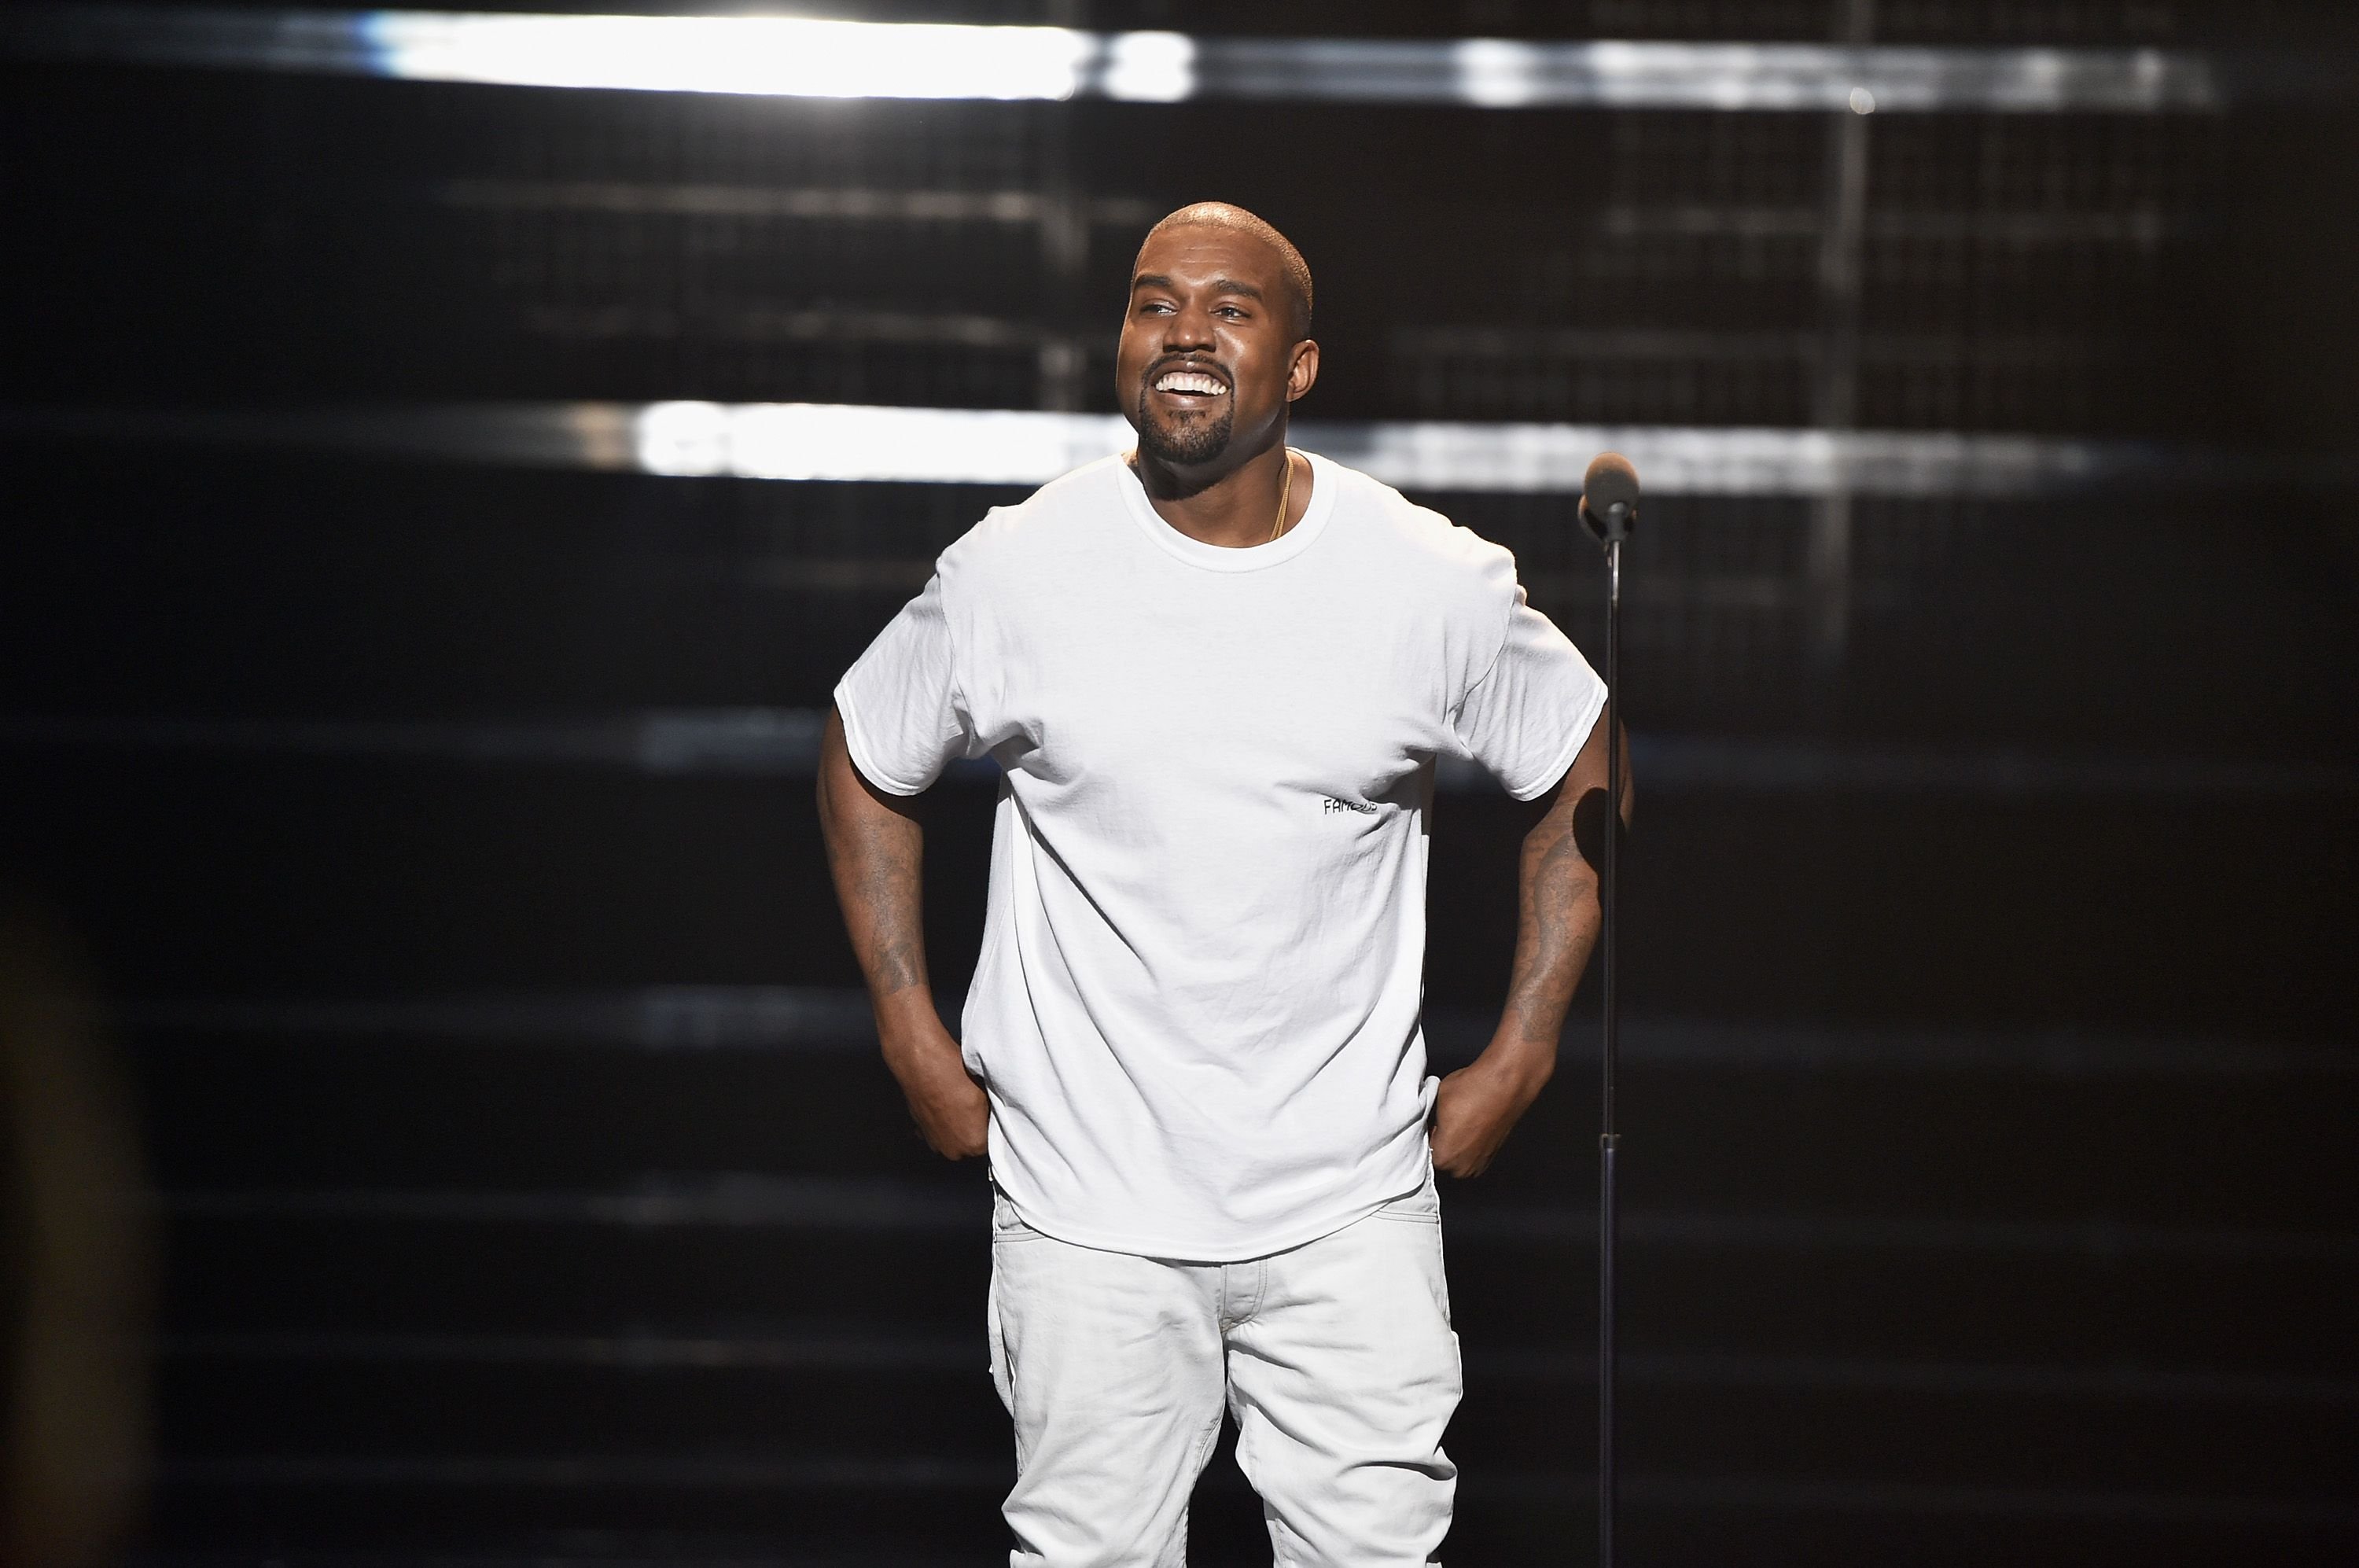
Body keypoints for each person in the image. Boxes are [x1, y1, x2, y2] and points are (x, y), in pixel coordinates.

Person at [817, 201, 1627, 1567]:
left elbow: (1582, 762)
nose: (1185, 332)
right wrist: (908, 1027)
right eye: (1153, 302)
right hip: (1088, 1207)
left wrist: (1528, 1052)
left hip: (1347, 1205)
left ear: (1300, 367)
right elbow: (863, 748)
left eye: (1230, 307)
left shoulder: (1424, 579)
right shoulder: (1017, 567)